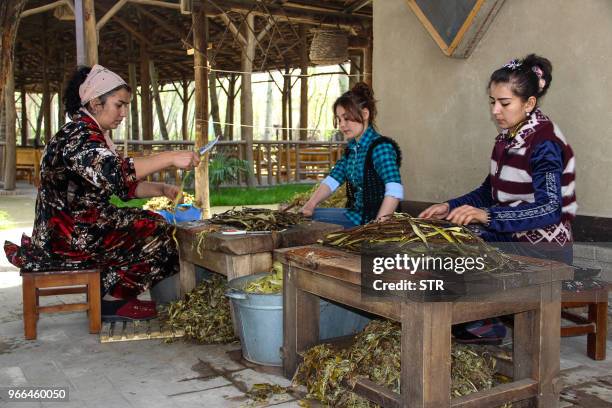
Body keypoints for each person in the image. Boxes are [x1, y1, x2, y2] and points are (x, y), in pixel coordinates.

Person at [4, 65, 200, 320]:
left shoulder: (88, 135)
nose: (124, 113)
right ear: (96, 102)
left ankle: (110, 294)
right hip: (68, 237)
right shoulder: (79, 137)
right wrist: (170, 157)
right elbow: (115, 172)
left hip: (78, 228)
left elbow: (122, 185)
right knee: (157, 230)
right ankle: (114, 301)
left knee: (145, 223)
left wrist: (161, 188)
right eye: (119, 105)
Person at [419, 54, 577, 343]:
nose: (495, 110)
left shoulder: (545, 143)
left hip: (542, 248)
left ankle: (482, 323)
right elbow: (487, 191)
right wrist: (449, 206)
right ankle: (467, 320)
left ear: (528, 103)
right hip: (513, 235)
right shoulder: (508, 139)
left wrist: (488, 217)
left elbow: (551, 209)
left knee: (459, 250)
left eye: (504, 103)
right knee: (443, 239)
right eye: (492, 101)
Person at [301, 83, 404, 228]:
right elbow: (333, 179)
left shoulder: (380, 147)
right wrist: (310, 204)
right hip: (355, 214)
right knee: (304, 217)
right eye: (339, 119)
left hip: (374, 220)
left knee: (309, 224)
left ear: (364, 114)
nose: (342, 124)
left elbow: (394, 190)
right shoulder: (352, 149)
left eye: (346, 118)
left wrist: (377, 227)